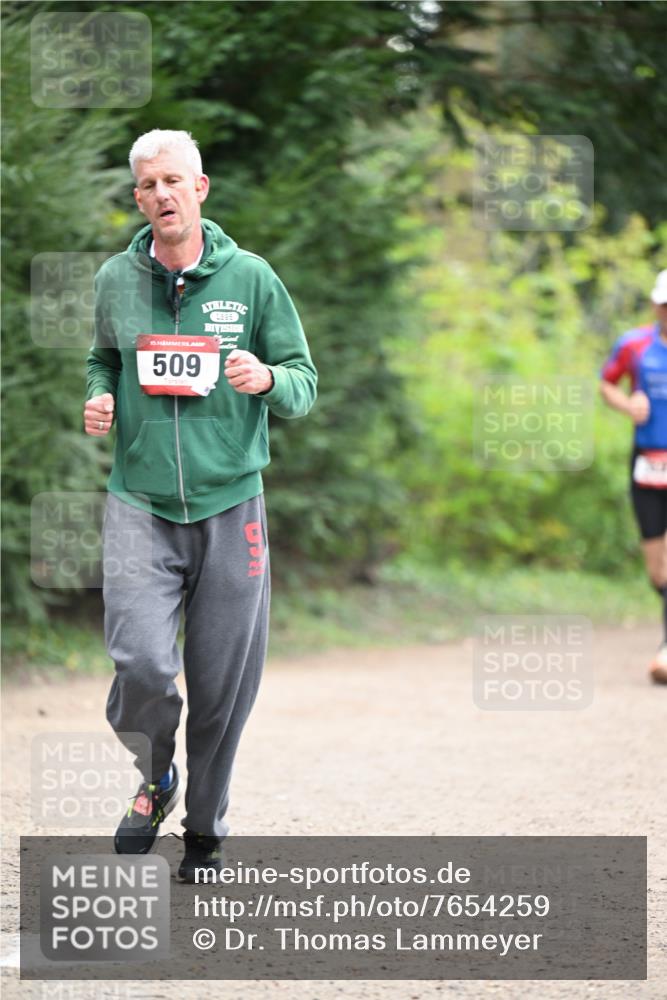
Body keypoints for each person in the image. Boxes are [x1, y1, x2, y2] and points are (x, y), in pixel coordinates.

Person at [84, 129, 317, 880]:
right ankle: (156, 777)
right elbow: (104, 357)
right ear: (137, 197)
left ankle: (206, 831)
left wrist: (266, 380)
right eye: (149, 184)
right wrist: (97, 394)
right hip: (139, 502)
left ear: (200, 188)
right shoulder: (115, 280)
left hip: (230, 506)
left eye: (174, 181)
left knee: (221, 685)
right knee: (142, 662)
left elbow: (303, 380)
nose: (162, 195)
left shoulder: (250, 279)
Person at [599, 269, 667, 686]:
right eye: (663, 303)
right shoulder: (634, 344)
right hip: (647, 465)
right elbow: (606, 384)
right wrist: (628, 405)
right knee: (658, 570)